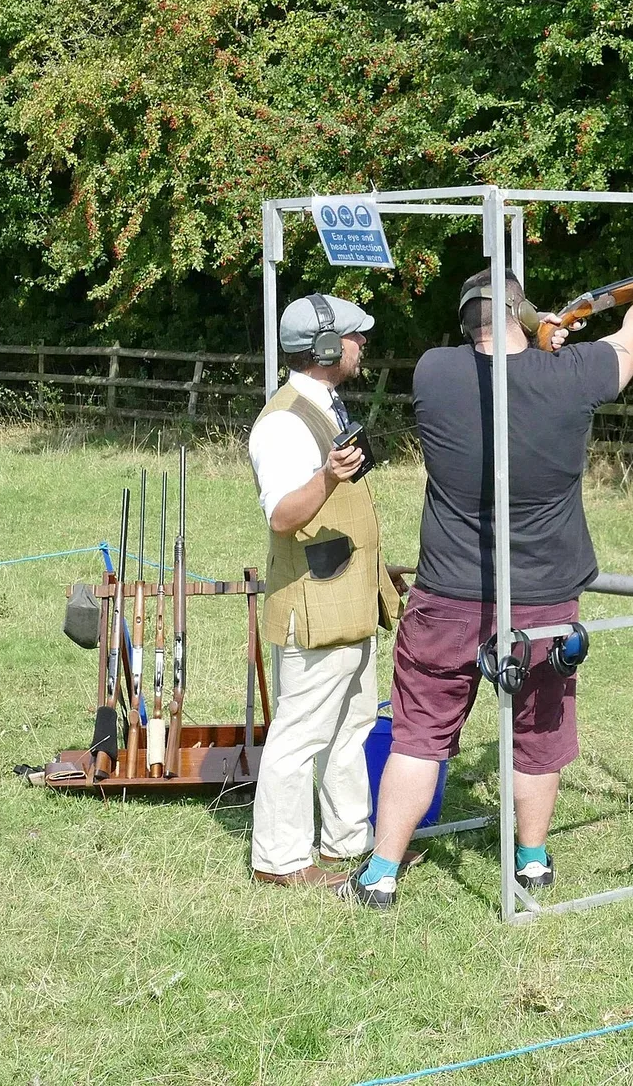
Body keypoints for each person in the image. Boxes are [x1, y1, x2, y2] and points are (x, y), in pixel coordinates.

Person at [337, 263, 633, 907]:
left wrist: (538, 335)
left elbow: (500, 371)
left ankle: (381, 872)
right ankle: (531, 861)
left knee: (419, 735)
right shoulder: (571, 375)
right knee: (538, 731)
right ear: (524, 316)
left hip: (446, 592)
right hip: (544, 594)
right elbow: (632, 339)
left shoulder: (435, 373)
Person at [248, 292, 404, 888]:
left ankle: (348, 843)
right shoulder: (285, 421)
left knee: (351, 726)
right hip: (314, 604)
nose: (362, 345)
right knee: (299, 735)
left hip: (345, 598)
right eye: (355, 337)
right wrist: (329, 475)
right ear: (326, 347)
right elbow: (284, 515)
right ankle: (280, 860)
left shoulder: (324, 404)